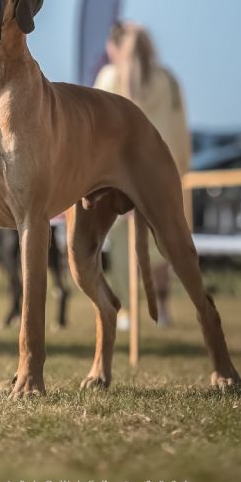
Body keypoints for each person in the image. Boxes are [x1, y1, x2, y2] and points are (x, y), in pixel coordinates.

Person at [94, 21, 191, 327]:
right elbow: (179, 133)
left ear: (114, 47)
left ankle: (128, 311)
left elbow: (97, 129)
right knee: (161, 243)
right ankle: (162, 310)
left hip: (121, 176)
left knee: (122, 244)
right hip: (164, 175)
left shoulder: (109, 76)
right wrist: (181, 170)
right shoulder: (169, 81)